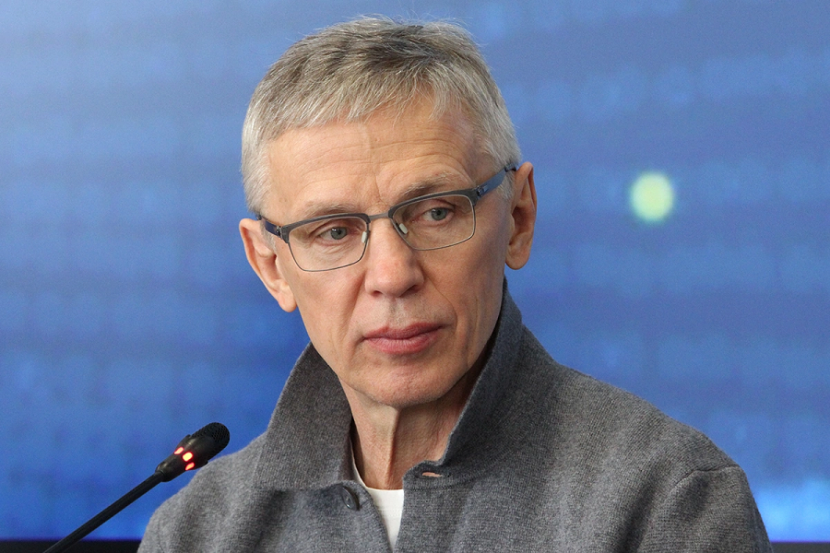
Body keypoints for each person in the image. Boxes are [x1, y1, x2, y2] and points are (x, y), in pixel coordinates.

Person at [139, 17, 772, 552]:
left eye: (436, 212)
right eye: (333, 231)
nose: (392, 276)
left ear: (518, 218)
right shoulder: (195, 534)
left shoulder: (668, 504)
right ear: (272, 266)